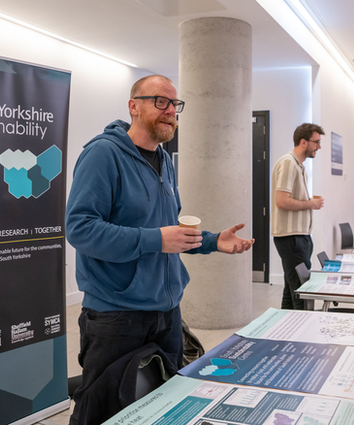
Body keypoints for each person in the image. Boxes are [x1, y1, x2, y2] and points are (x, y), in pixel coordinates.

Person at [65, 74, 254, 424]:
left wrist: (213, 241)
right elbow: (80, 229)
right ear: (133, 106)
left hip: (166, 313)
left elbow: (171, 228)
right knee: (100, 412)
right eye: (160, 102)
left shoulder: (164, 160)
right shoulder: (102, 155)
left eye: (175, 105)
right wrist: (155, 239)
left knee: (160, 409)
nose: (170, 111)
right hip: (115, 316)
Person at [271, 123, 325, 310]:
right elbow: (282, 201)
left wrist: (308, 202)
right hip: (291, 238)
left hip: (299, 237)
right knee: (302, 294)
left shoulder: (298, 166)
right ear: (303, 142)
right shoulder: (288, 163)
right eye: (316, 142)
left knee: (291, 290)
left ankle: (285, 333)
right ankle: (302, 336)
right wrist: (310, 203)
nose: (319, 146)